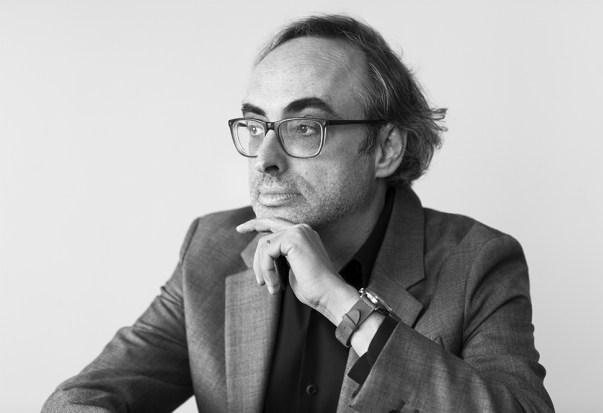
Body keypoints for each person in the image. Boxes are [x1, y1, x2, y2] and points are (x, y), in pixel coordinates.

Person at [43, 14, 554, 413]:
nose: (265, 159)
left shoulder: (478, 262)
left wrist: (343, 304)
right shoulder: (212, 247)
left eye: (305, 127)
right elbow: (80, 399)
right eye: (256, 125)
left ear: (386, 149)